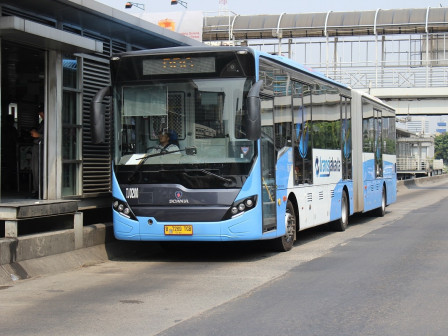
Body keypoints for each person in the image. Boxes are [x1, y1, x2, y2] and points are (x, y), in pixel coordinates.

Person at [30, 105, 44, 198]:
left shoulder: (51, 122)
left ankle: (40, 190)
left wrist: (38, 135)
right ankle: (36, 189)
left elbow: (51, 135)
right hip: (36, 147)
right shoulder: (42, 122)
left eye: (42, 114)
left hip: (43, 148)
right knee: (34, 169)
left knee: (39, 170)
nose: (41, 116)